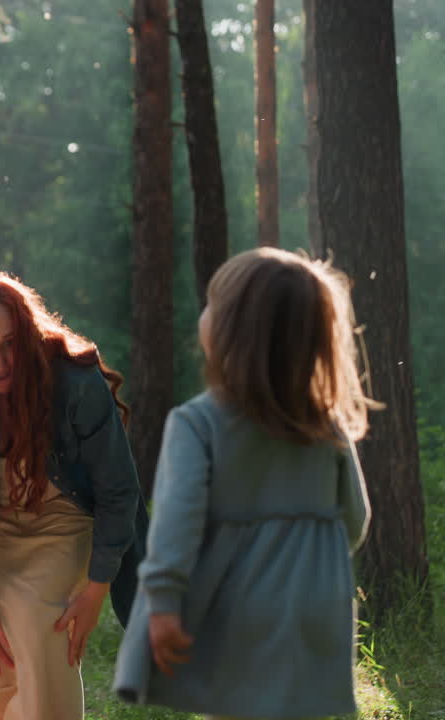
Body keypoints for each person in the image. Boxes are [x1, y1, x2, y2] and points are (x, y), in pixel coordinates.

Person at [113, 247, 374, 719]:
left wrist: (165, 602)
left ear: (236, 332)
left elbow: (176, 524)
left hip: (237, 605)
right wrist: (310, 561)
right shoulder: (326, 425)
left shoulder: (198, 422)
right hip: (317, 606)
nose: (204, 315)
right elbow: (355, 518)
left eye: (213, 306)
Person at [0, 269, 147, 720]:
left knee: (38, 623)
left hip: (64, 519)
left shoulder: (75, 381)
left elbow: (119, 490)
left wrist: (94, 593)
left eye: (10, 343)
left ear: (29, 336)